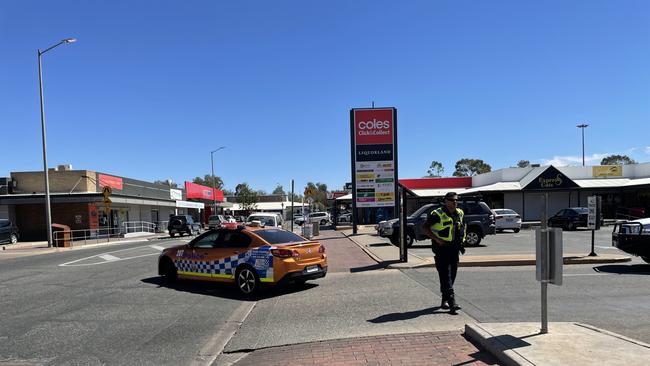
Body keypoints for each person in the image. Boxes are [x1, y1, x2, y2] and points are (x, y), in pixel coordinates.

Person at [422, 192, 466, 315]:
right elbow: (424, 227)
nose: (455, 202)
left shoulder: (460, 213)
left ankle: (444, 300)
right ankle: (452, 303)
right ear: (445, 201)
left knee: (452, 275)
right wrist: (437, 239)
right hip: (442, 248)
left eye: (456, 200)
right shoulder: (437, 214)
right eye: (452, 200)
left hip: (455, 248)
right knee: (445, 275)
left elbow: (462, 227)